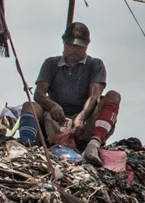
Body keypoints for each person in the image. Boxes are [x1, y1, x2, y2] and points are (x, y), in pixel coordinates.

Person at [26, 21, 120, 159]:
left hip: (84, 122)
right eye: (71, 45)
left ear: (87, 46)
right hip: (56, 120)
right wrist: (52, 105)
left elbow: (95, 95)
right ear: (64, 43)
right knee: (29, 106)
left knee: (113, 96)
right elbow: (38, 94)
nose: (74, 50)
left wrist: (81, 117)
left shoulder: (95, 64)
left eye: (79, 47)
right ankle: (25, 144)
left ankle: (94, 143)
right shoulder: (51, 63)